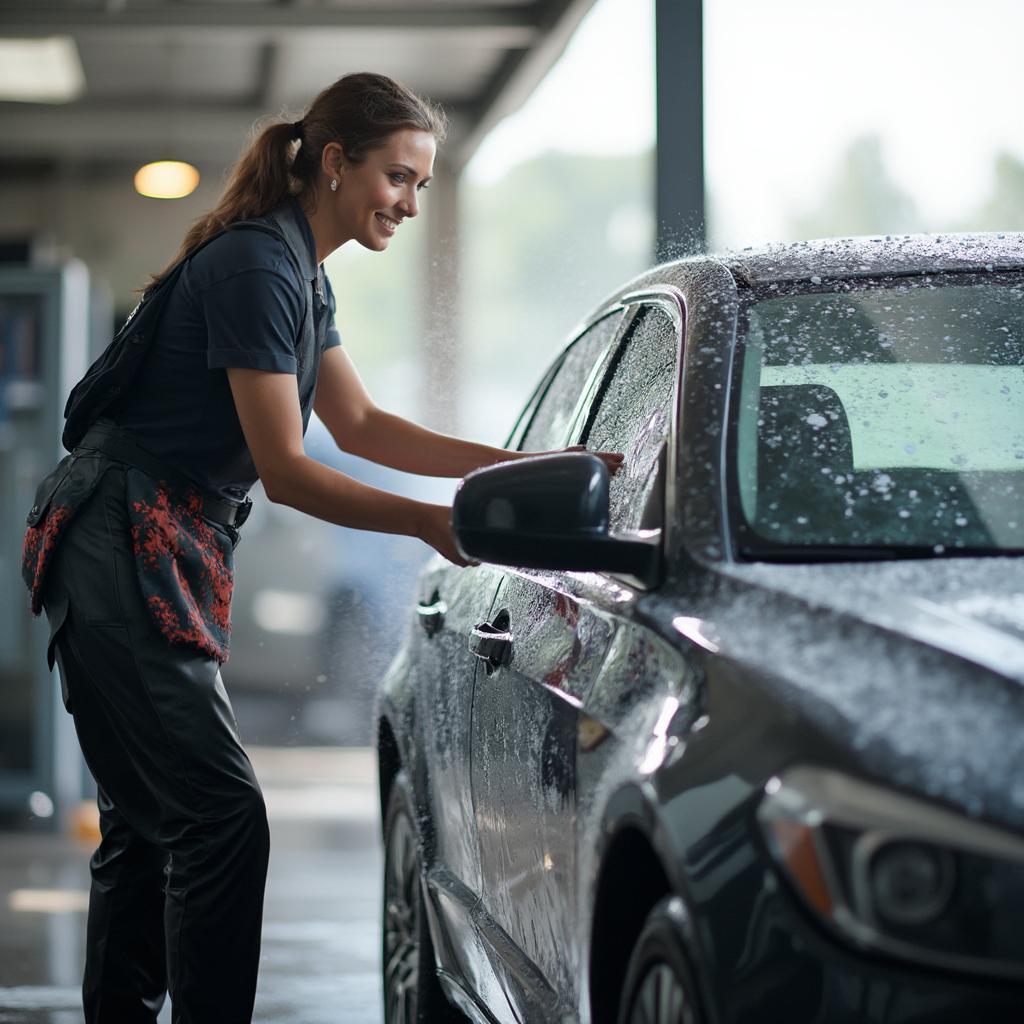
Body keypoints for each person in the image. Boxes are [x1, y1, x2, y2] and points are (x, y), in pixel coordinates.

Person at [20, 72, 623, 1023]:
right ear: (334, 163)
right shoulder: (258, 265)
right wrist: (428, 521)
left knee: (148, 826)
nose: (408, 203)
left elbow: (366, 424)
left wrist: (526, 462)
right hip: (115, 536)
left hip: (148, 540)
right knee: (219, 821)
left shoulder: (303, 270)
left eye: (423, 185)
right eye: (396, 177)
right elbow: (291, 469)